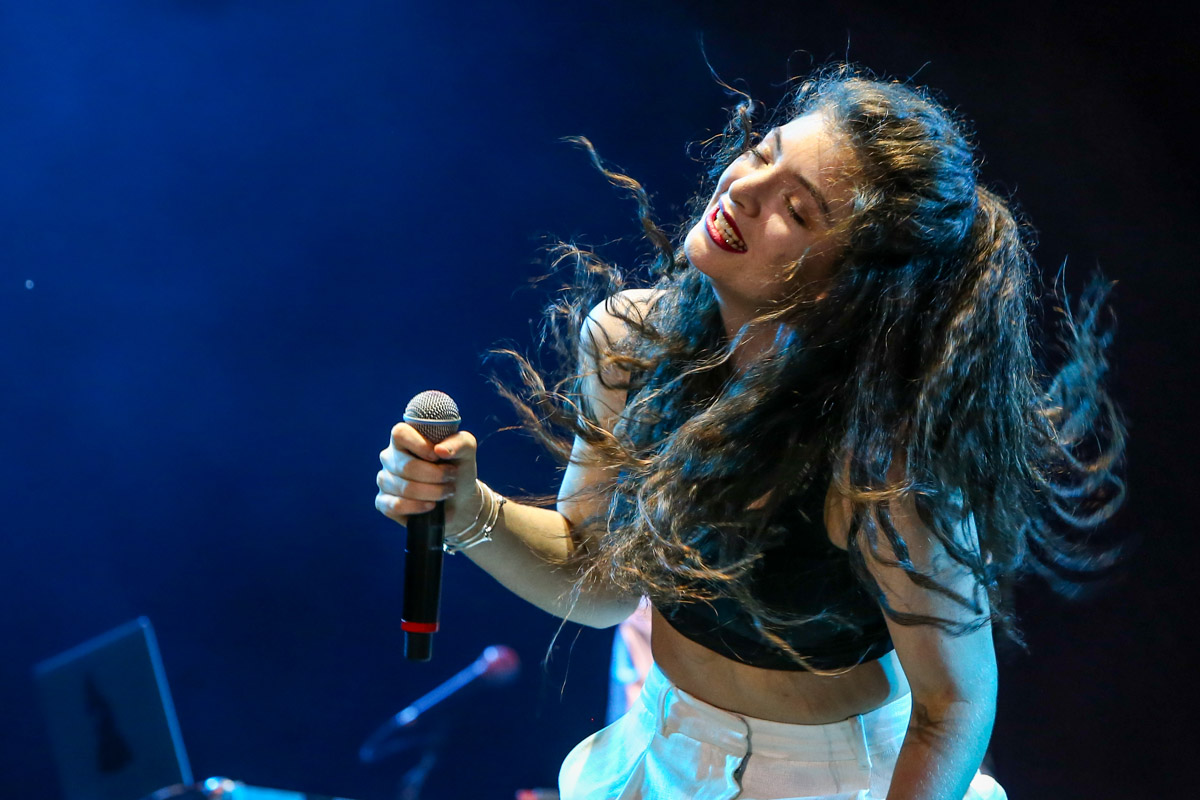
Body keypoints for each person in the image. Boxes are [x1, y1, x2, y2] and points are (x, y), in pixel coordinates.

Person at [375, 66, 1124, 800]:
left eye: (794, 209)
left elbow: (953, 705)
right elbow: (600, 581)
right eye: (763, 153)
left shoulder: (882, 463)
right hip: (662, 748)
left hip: (833, 779)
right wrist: (468, 512)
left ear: (848, 283)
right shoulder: (628, 341)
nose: (742, 189)